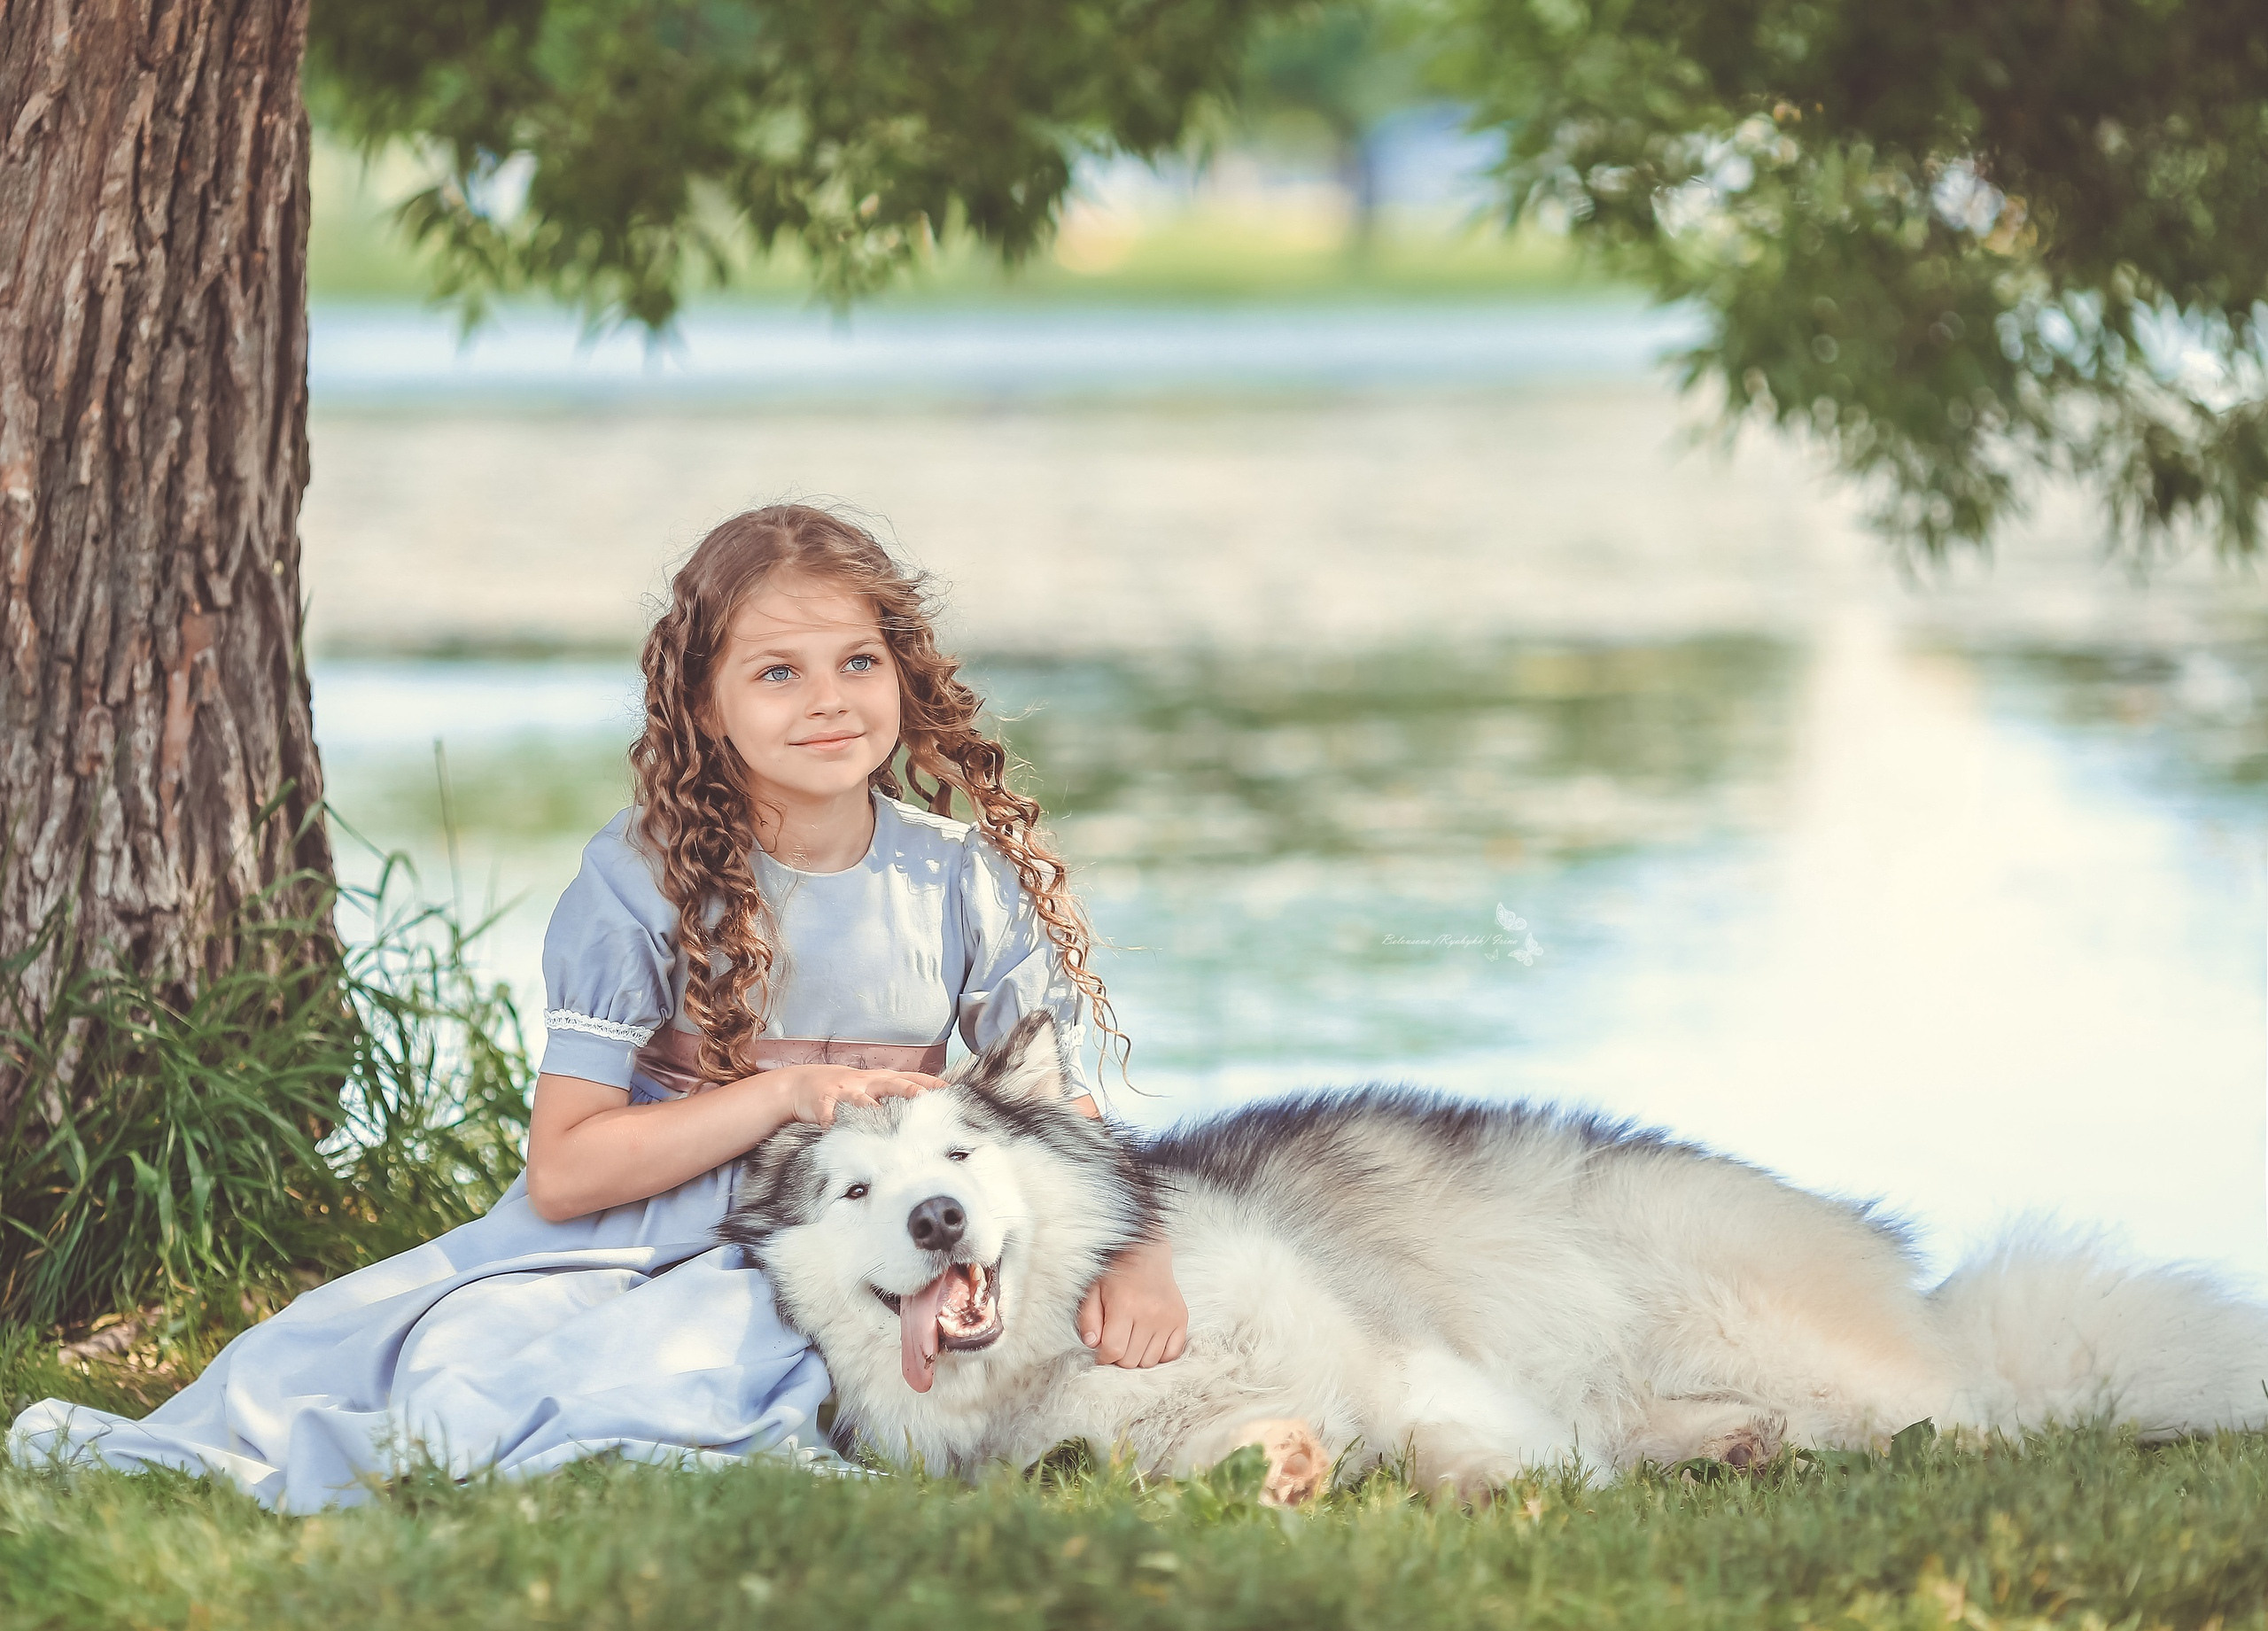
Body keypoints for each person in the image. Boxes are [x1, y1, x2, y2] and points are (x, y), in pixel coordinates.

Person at [9, 504, 1185, 1511]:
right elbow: (566, 1172)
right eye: (778, 671)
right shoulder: (643, 878)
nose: (828, 700)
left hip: (860, 1221)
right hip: (648, 1228)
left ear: (904, 673)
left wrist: (1138, 1251)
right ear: (707, 706)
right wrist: (781, 1095)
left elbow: (1058, 1108)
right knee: (477, 1378)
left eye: (857, 662)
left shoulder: (957, 876)